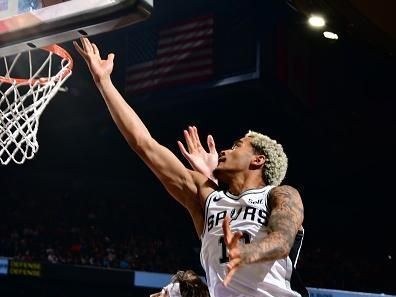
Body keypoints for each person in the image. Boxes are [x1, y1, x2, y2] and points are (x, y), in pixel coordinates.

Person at [74, 37, 306, 297]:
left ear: (258, 160)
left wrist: (246, 252)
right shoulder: (206, 199)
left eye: (237, 145)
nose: (225, 150)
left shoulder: (280, 194)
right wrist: (104, 82)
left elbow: (283, 240)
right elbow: (145, 145)